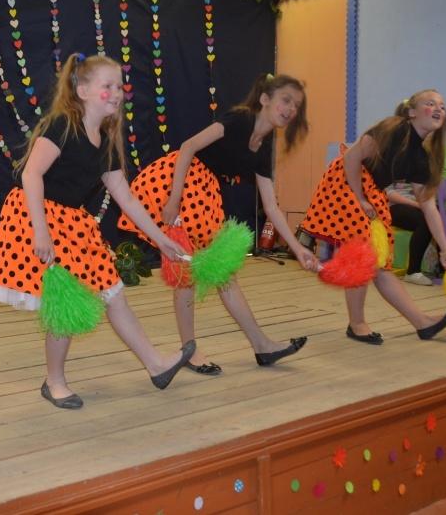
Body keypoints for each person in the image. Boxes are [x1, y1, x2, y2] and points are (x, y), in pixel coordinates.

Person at [0, 53, 196, 410]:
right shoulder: (62, 126)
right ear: (82, 91)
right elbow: (31, 174)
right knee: (67, 302)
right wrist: (41, 232)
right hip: (37, 215)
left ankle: (156, 365)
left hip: (74, 223)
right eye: (107, 86)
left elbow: (127, 198)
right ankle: (54, 381)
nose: (117, 93)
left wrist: (161, 239)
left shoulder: (106, 141)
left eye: (119, 86)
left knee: (114, 293)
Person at [119, 73, 313, 375]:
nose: (291, 109)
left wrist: (298, 249)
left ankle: (258, 345)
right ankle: (197, 350)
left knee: (219, 272)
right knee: (190, 272)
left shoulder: (264, 145)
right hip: (180, 181)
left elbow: (271, 207)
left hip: (205, 194)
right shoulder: (239, 120)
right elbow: (188, 146)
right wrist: (174, 197)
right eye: (286, 100)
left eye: (296, 105)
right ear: (265, 99)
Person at [300, 90, 446, 346]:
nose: (439, 108)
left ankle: (421, 322)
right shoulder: (395, 129)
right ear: (412, 112)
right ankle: (359, 324)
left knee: (378, 263)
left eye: (443, 105)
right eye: (431, 103)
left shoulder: (421, 157)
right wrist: (360, 198)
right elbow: (351, 157)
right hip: (346, 181)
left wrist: (444, 247)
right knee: (364, 255)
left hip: (372, 192)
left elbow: (428, 207)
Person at [385, 182, 438, 285]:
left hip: (420, 204)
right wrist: (417, 204)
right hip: (394, 206)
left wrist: (429, 204)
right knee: (426, 221)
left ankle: (444, 269)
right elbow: (387, 192)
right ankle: (413, 271)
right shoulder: (389, 171)